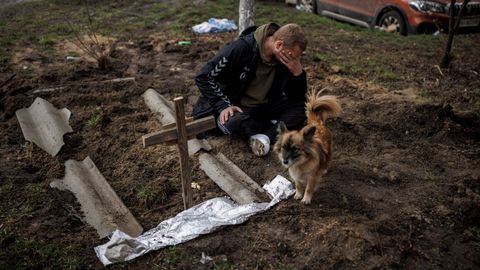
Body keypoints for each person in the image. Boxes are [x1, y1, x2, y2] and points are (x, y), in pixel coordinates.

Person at [192, 22, 308, 156]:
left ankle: (264, 138)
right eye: (292, 56)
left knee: (303, 107)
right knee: (235, 122)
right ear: (279, 45)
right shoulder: (240, 49)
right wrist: (223, 105)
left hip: (263, 106)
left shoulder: (284, 59)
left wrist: (298, 74)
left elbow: (296, 97)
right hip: (236, 107)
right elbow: (203, 76)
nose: (294, 60)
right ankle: (270, 128)